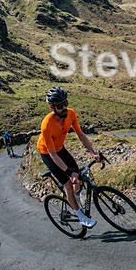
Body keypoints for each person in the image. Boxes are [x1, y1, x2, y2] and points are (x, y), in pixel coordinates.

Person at [37, 86, 100, 228]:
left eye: (66, 103)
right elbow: (52, 154)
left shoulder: (71, 114)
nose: (64, 107)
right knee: (68, 184)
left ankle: (75, 198)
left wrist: (93, 152)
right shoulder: (46, 125)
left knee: (78, 177)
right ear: (52, 106)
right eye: (60, 105)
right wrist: (68, 172)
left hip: (60, 149)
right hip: (48, 153)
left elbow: (80, 134)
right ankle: (80, 216)